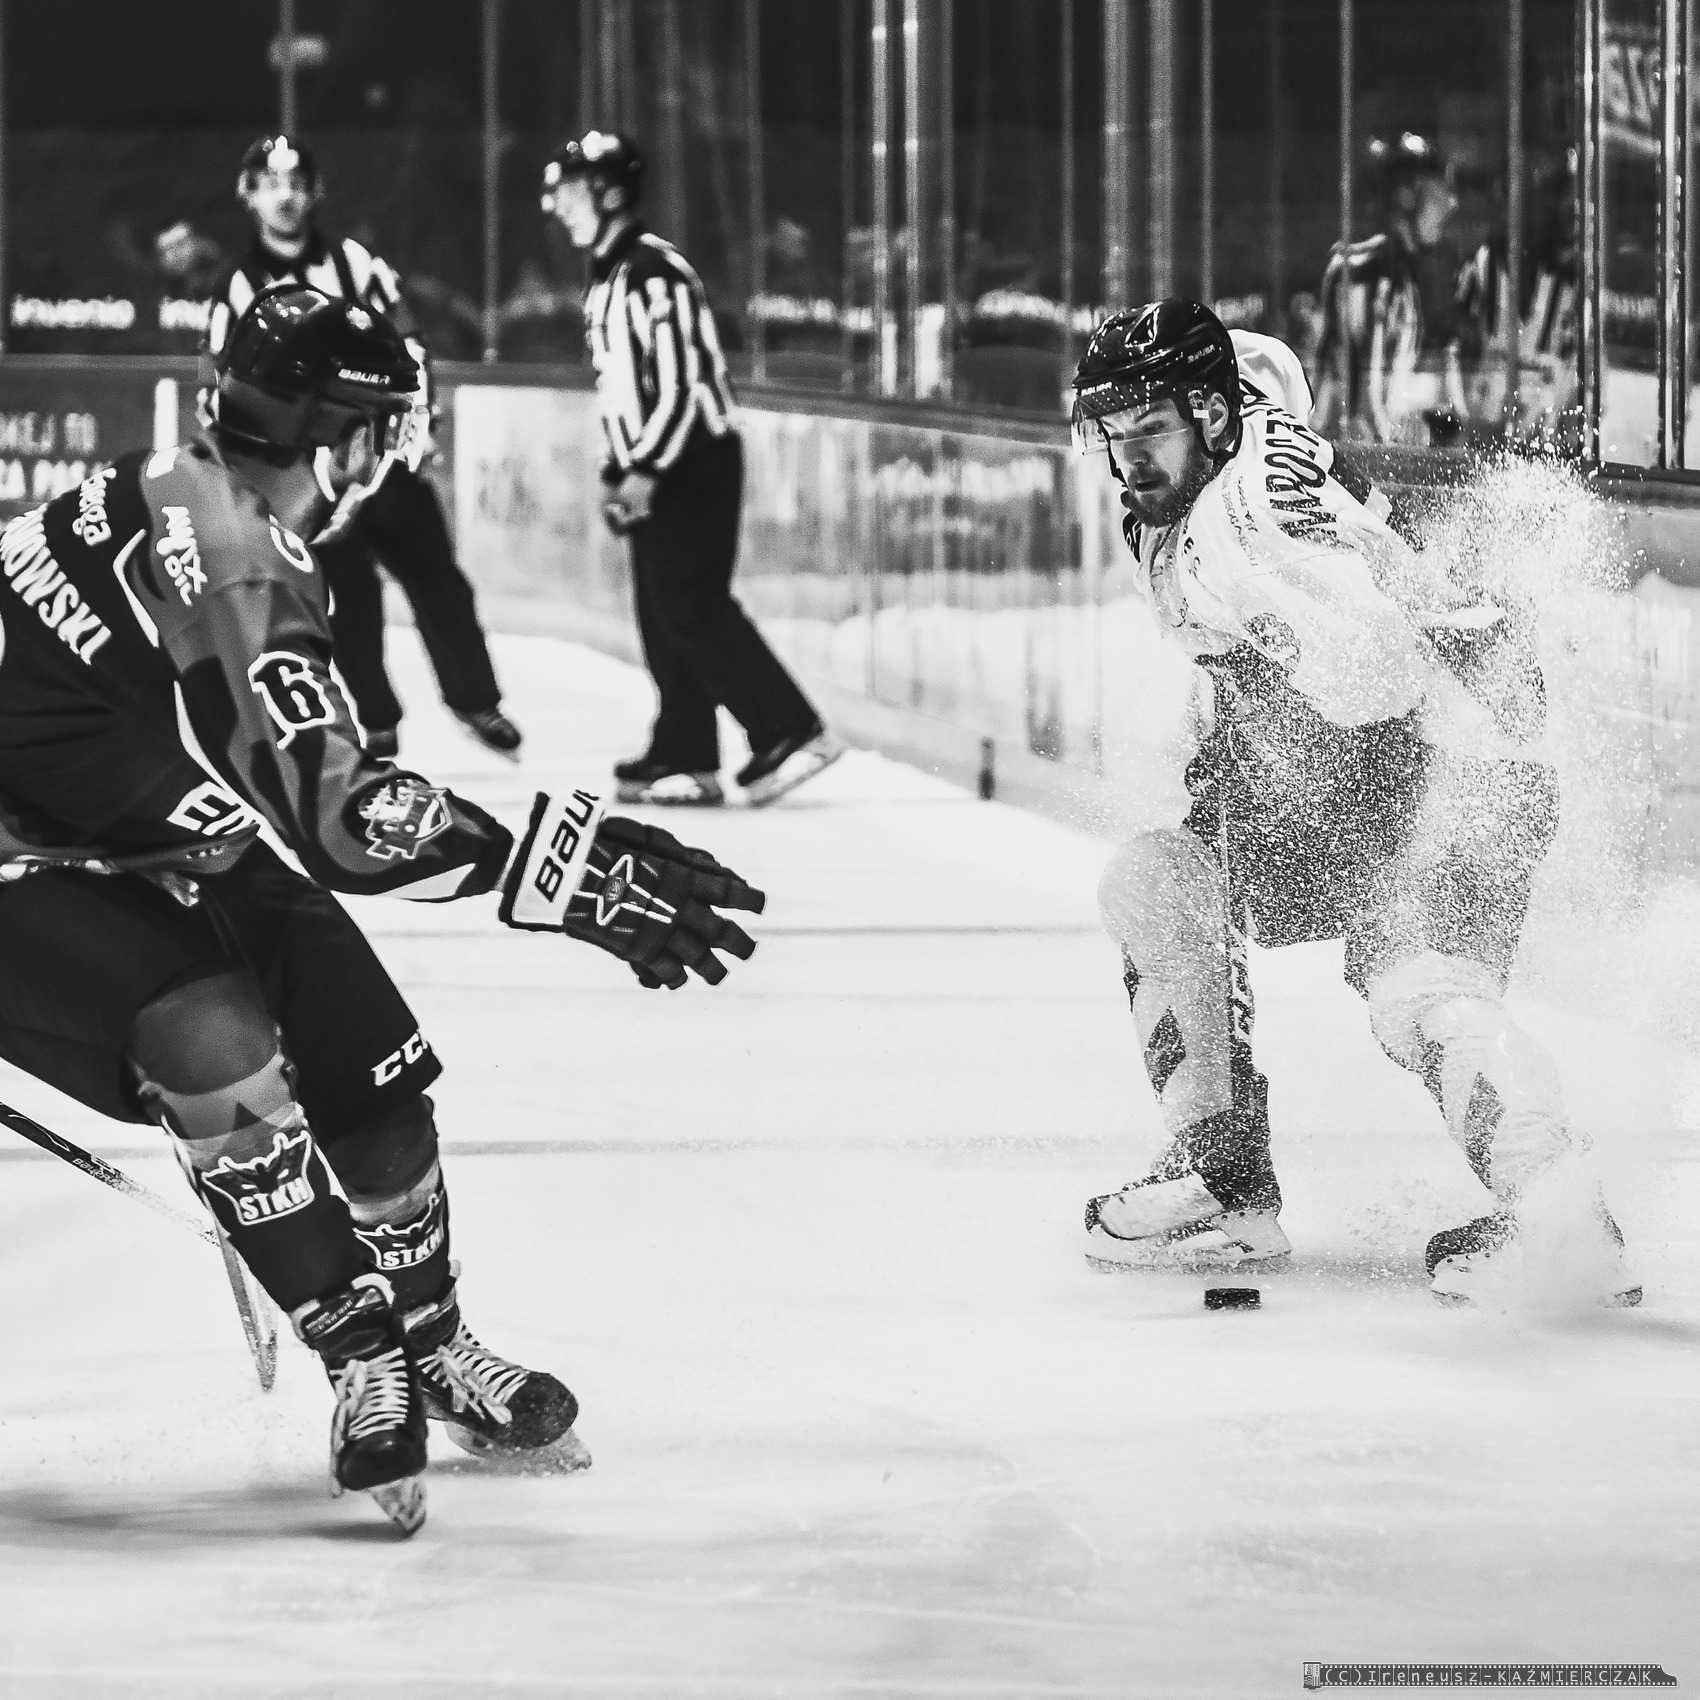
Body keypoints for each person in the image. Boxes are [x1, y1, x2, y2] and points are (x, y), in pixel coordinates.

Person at [0, 285, 764, 1531]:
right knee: (213, 1037)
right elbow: (343, 821)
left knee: (371, 1059)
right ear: (334, 433)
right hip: (23, 862)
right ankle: (364, 1350)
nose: (388, 458)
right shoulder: (237, 555)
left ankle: (434, 1339)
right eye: (383, 429)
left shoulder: (186, 492)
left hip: (132, 824)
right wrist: (559, 867)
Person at [1069, 299, 1638, 1306]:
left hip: (1451, 760)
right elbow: (1268, 371)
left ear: (1209, 414)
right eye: (1113, 433)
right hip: (1425, 742)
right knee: (1159, 882)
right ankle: (1222, 1179)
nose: (1129, 459)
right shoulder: (1229, 446)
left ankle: (1558, 1211)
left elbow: (1372, 676)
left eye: (1147, 428)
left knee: (1418, 985)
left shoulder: (1244, 524)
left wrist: (1279, 743)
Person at [540, 131, 843, 808]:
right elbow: (621, 390)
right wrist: (615, 469)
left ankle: (791, 729)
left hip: (694, 460)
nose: (558, 205)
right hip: (655, 464)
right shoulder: (608, 277)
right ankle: (686, 748)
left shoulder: (655, 272)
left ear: (610, 193)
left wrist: (643, 469)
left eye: (572, 190)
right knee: (661, 612)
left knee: (692, 604)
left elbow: (682, 385)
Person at [206, 133, 520, 763]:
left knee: (437, 579)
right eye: (271, 184)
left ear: (316, 192)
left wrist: (417, 427)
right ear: (248, 196)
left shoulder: (356, 263)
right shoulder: (236, 288)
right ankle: (375, 718)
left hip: (383, 454)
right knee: (346, 598)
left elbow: (412, 346)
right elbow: (221, 386)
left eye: (296, 184)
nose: (286, 197)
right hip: (309, 473)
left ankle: (475, 700)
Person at [1311, 133, 1467, 445]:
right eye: (1439, 193)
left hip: (1379, 448)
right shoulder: (1369, 273)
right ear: (1406, 197)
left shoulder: (1406, 275)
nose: (1451, 205)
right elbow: (1364, 402)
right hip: (1364, 452)